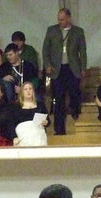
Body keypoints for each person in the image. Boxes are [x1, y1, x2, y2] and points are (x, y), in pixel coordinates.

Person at [42, 8, 86, 136]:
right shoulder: (52, 30)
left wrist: (83, 68)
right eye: (58, 19)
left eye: (62, 19)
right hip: (57, 69)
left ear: (68, 18)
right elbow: (45, 50)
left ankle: (75, 110)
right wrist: (48, 65)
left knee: (74, 93)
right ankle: (59, 129)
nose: (60, 21)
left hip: (73, 68)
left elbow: (82, 52)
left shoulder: (78, 31)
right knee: (59, 99)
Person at [3, 81, 48, 146]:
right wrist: (14, 137)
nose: (28, 91)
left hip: (38, 135)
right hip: (22, 135)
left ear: (33, 91)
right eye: (25, 89)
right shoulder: (15, 106)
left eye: (30, 89)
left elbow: (47, 121)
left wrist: (46, 122)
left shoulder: (40, 105)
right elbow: (11, 123)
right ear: (22, 92)